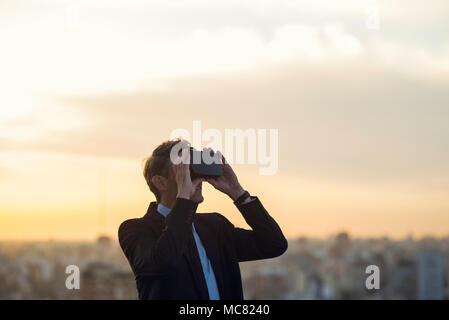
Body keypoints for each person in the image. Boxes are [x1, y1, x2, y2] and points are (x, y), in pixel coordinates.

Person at [118, 139, 287, 299]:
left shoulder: (215, 226)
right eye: (183, 170)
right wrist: (184, 197)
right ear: (160, 182)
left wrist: (237, 192)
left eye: (192, 167)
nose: (195, 178)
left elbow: (274, 244)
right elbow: (164, 261)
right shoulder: (135, 230)